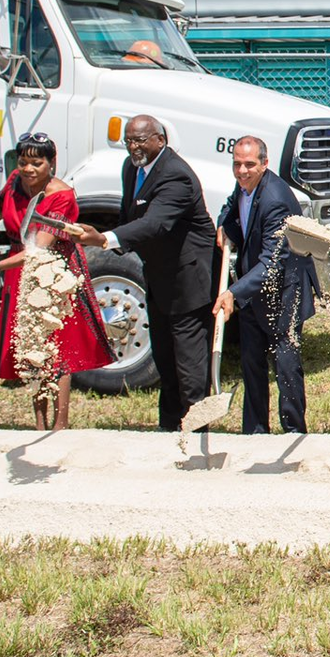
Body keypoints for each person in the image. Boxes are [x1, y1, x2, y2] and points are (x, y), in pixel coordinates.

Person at [71, 114, 216, 431]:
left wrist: (104, 239)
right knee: (165, 360)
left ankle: (198, 434)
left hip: (188, 281)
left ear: (159, 140)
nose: (133, 147)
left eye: (140, 140)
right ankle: (169, 429)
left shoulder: (177, 176)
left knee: (189, 364)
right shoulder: (132, 168)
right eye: (128, 141)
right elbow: (130, 214)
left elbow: (156, 223)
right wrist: (112, 237)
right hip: (159, 276)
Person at [0, 133, 114, 430]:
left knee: (56, 348)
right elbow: (1, 204)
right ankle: (39, 422)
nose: (29, 169)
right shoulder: (17, 179)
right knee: (31, 343)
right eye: (24, 162)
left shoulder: (61, 196)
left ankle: (59, 423)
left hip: (52, 272)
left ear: (52, 163)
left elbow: (38, 249)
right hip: (20, 265)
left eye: (37, 163)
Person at [213, 136, 317, 434]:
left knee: (285, 361)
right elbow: (231, 205)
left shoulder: (274, 199)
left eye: (249, 165)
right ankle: (255, 430)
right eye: (237, 164)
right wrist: (224, 224)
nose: (242, 171)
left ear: (265, 164)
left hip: (284, 288)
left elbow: (273, 262)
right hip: (253, 284)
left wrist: (233, 291)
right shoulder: (244, 184)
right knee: (251, 361)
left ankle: (294, 429)